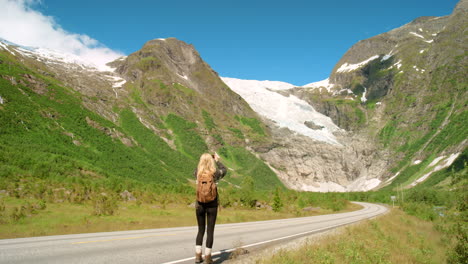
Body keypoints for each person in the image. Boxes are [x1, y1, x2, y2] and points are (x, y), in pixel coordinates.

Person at [194, 152, 227, 264]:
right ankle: (208, 258)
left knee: (200, 230)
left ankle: (198, 256)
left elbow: (198, 167)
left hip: (199, 204)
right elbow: (224, 170)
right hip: (212, 205)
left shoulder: (197, 173)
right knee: (210, 231)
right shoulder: (215, 173)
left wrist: (203, 160)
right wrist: (217, 160)